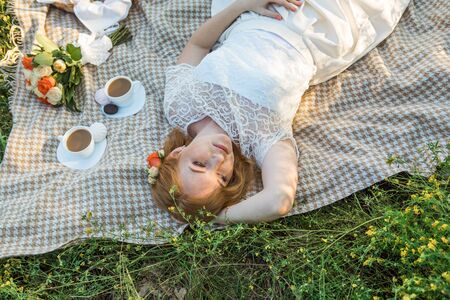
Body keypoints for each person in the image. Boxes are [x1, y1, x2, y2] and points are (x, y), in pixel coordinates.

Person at [147, 0, 411, 224]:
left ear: (177, 153)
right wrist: (212, 218)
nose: (219, 160)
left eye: (200, 164)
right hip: (318, 29)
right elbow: (278, 201)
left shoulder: (180, 105)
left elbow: (198, 46)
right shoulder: (261, 140)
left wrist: (244, 4)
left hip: (255, 14)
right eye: (223, 177)